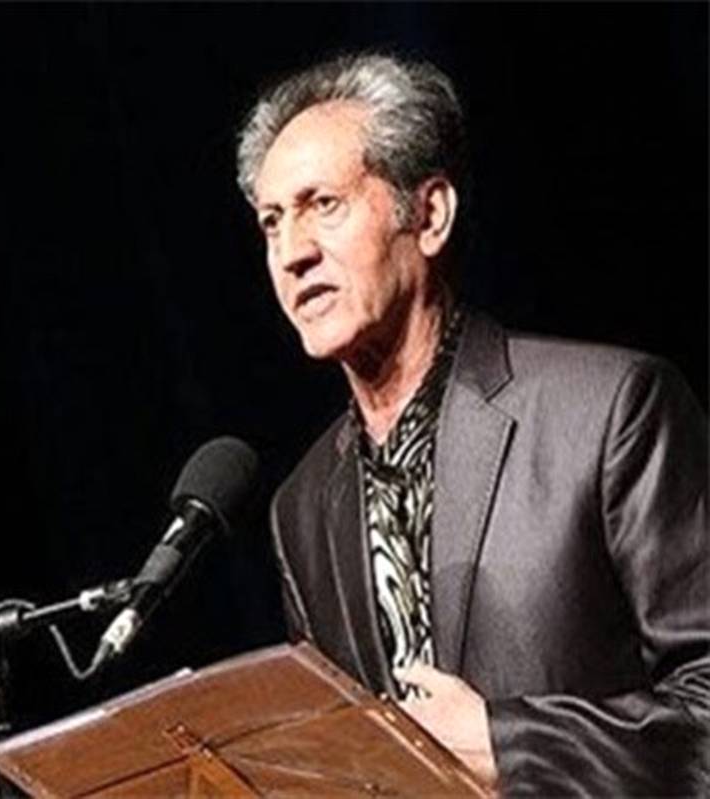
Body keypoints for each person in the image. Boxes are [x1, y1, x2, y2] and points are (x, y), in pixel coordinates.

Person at [237, 52, 708, 795]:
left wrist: (513, 746)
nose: (292, 252)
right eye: (272, 221)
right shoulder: (302, 507)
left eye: (323, 204)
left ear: (429, 216)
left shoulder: (610, 409)